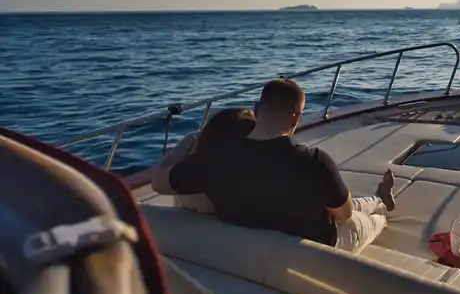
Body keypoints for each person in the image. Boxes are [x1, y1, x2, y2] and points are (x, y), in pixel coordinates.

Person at [152, 78, 396, 254]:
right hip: (325, 242)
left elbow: (158, 181)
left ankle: (378, 197)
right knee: (366, 217)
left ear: (257, 110)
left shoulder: (212, 162)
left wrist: (190, 140)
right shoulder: (315, 161)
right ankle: (382, 206)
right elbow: (344, 215)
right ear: (296, 118)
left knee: (348, 202)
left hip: (259, 239)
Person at [165, 108, 257, 214]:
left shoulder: (194, 171)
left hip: (189, 218)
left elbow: (158, 182)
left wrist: (189, 140)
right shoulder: (249, 172)